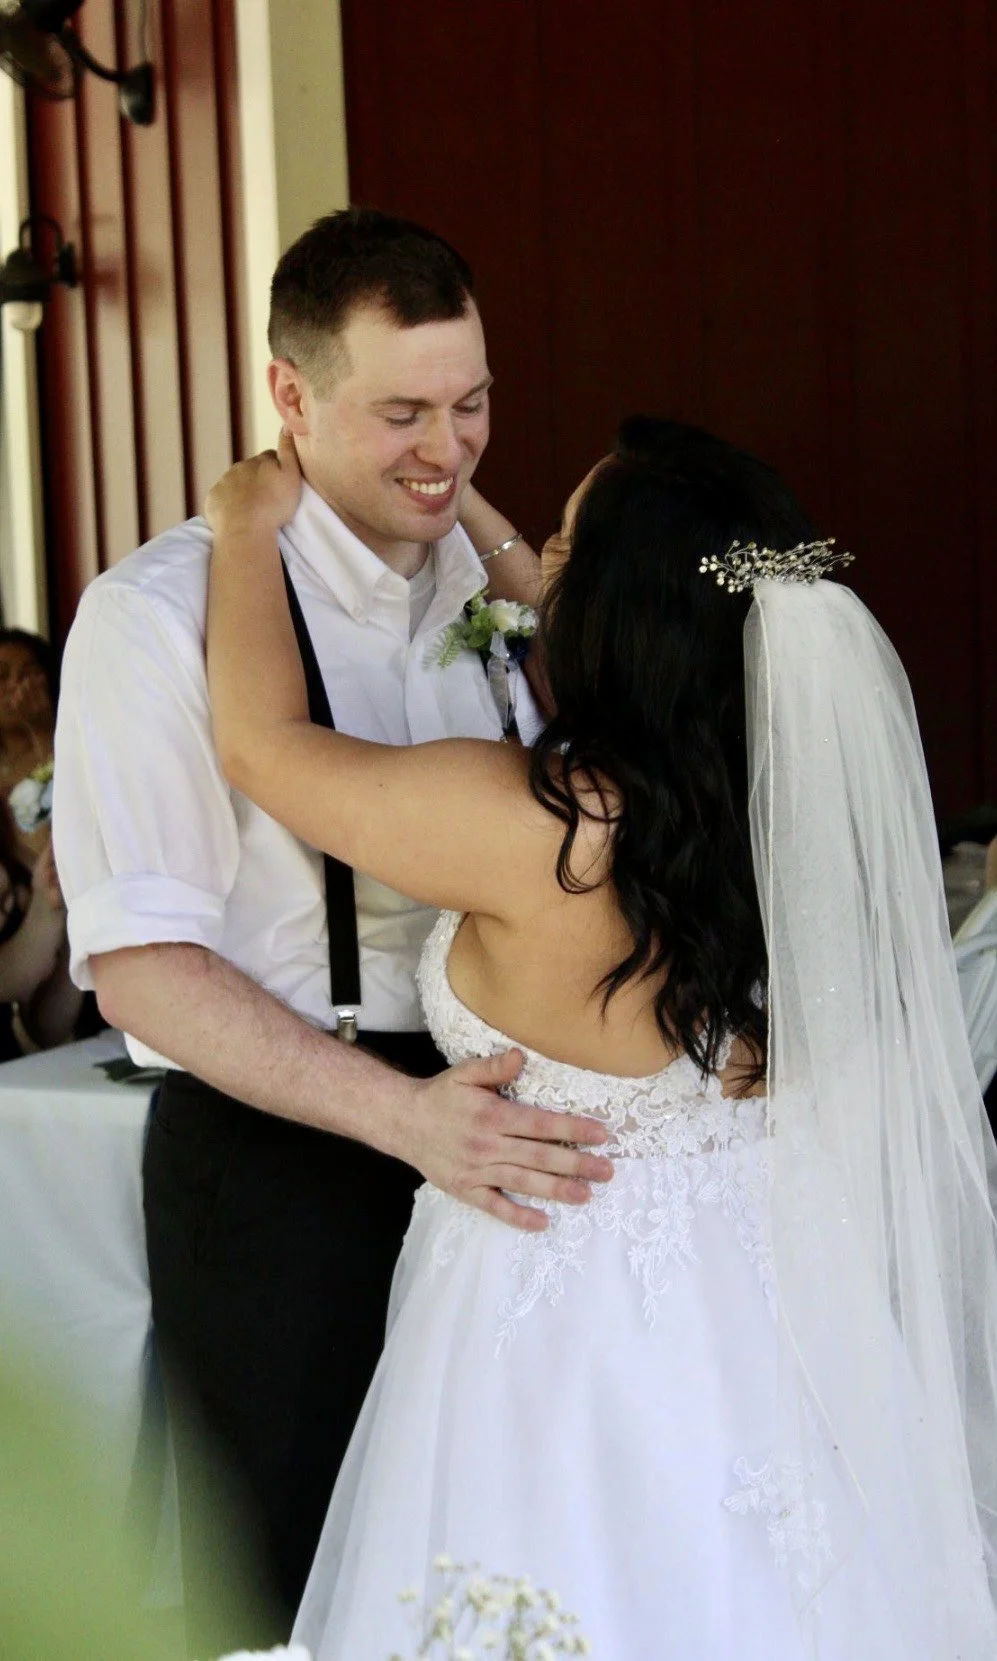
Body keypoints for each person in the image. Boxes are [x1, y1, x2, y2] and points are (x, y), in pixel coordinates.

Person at [204, 417, 997, 1659]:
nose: (536, 561)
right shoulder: (785, 813)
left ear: (619, 610)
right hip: (766, 1310)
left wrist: (246, 526)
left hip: (548, 1331)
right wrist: (475, 512)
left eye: (565, 544)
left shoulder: (534, 827)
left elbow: (261, 745)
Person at [51, 208, 612, 1655]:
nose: (450, 447)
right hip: (288, 1166)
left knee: (503, 1578)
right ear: (288, 399)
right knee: (304, 1597)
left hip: (504, 1160)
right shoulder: (159, 616)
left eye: (475, 401)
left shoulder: (494, 592)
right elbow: (144, 969)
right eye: (404, 413)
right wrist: (404, 1120)